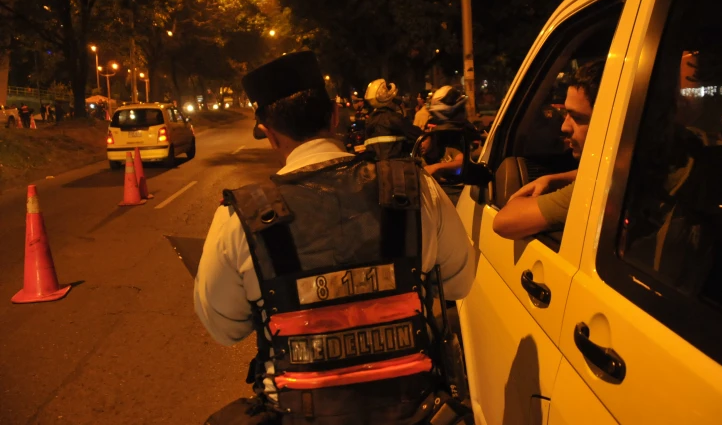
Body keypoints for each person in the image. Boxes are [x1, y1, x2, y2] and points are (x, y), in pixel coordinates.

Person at [195, 51, 476, 425]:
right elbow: (459, 282)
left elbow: (225, 328)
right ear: (335, 116)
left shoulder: (239, 219)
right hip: (414, 412)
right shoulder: (416, 189)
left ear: (267, 131)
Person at [493, 60, 604, 240]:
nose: (564, 127)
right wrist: (555, 179)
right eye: (566, 114)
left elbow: (503, 222)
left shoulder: (597, 189)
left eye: (577, 117)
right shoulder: (644, 172)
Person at [363, 78, 422, 159]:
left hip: (377, 169)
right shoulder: (394, 118)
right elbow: (417, 134)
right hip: (397, 167)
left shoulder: (369, 121)